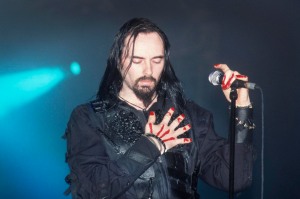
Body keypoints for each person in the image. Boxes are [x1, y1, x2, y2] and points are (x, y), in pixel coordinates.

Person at [63, 18, 255, 199]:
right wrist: (151, 146)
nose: (148, 70)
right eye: (137, 60)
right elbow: (90, 190)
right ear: (118, 61)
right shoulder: (89, 118)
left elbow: (235, 179)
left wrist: (242, 109)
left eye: (156, 60)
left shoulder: (189, 116)